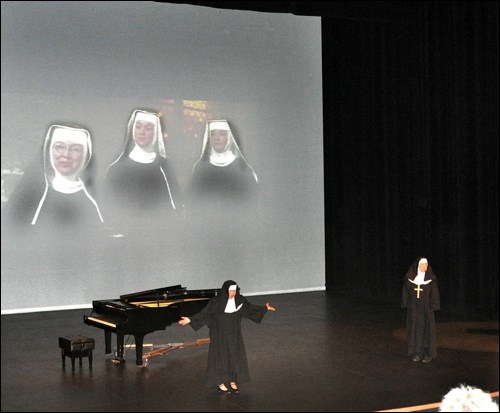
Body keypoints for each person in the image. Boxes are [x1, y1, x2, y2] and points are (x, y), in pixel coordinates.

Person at [2, 123, 104, 233]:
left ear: (85, 155)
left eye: (76, 149)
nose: (66, 154)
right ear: (49, 150)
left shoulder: (94, 202)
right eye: (59, 147)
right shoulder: (31, 194)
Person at [178, 280, 276, 393]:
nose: (232, 293)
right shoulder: (216, 302)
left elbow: (249, 308)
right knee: (220, 356)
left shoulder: (239, 300)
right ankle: (220, 381)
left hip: (234, 333)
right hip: (219, 333)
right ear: (225, 291)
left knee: (234, 355)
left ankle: (233, 380)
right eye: (230, 291)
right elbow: (205, 313)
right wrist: (190, 319)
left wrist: (264, 308)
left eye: (234, 291)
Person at [103, 109, 183, 237]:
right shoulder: (118, 167)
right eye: (138, 126)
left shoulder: (163, 166)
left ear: (156, 132)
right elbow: (107, 206)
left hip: (158, 237)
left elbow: (176, 204)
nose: (142, 132)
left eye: (148, 128)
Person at [186, 119, 258, 218]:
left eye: (222, 134)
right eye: (213, 134)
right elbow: (191, 201)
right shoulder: (200, 167)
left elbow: (252, 202)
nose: (217, 138)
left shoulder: (243, 168)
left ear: (230, 137)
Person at [401, 256, 440, 363]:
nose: (424, 267)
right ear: (418, 266)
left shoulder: (431, 280)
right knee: (415, 330)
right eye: (422, 265)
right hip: (414, 309)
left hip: (427, 309)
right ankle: (417, 353)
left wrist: (434, 305)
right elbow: (406, 292)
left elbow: (434, 294)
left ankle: (428, 354)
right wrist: (406, 303)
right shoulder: (410, 280)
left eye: (426, 265)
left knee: (427, 331)